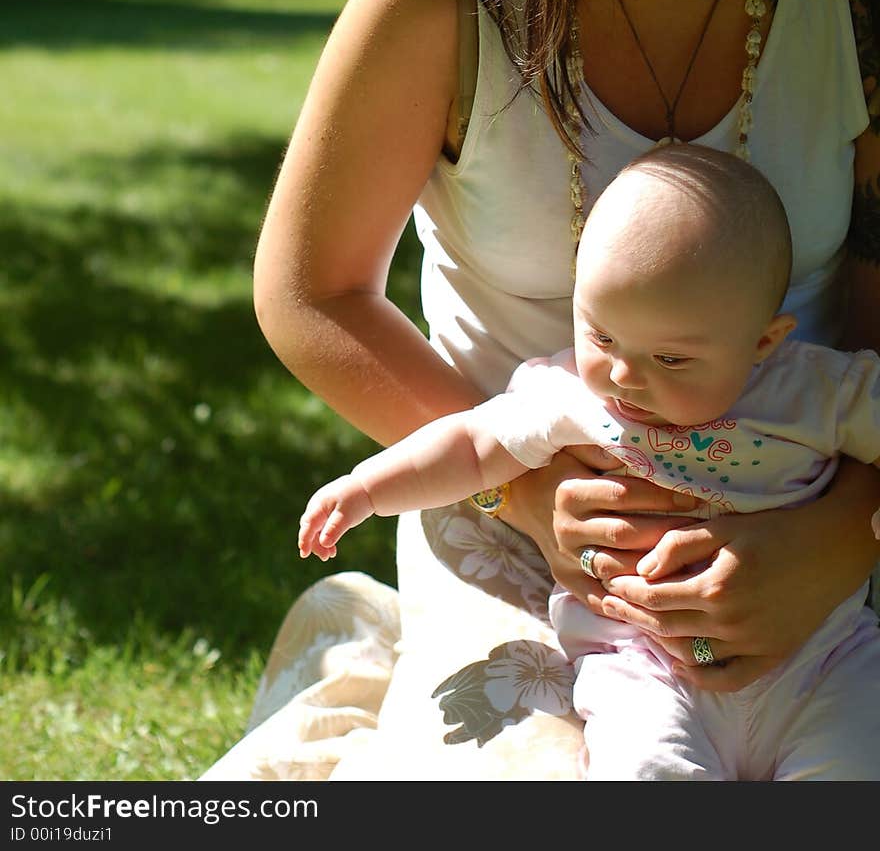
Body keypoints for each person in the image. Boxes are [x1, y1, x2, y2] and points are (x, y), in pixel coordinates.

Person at [201, 0, 880, 782]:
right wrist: (530, 497)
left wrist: (841, 534)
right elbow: (309, 290)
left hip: (828, 514)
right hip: (511, 510)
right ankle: (364, 664)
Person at [298, 146, 880, 780]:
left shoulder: (819, 392)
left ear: (765, 340)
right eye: (602, 336)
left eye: (673, 359)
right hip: (645, 668)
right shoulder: (570, 394)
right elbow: (469, 445)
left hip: (819, 661)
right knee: (643, 772)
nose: (625, 377)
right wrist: (366, 488)